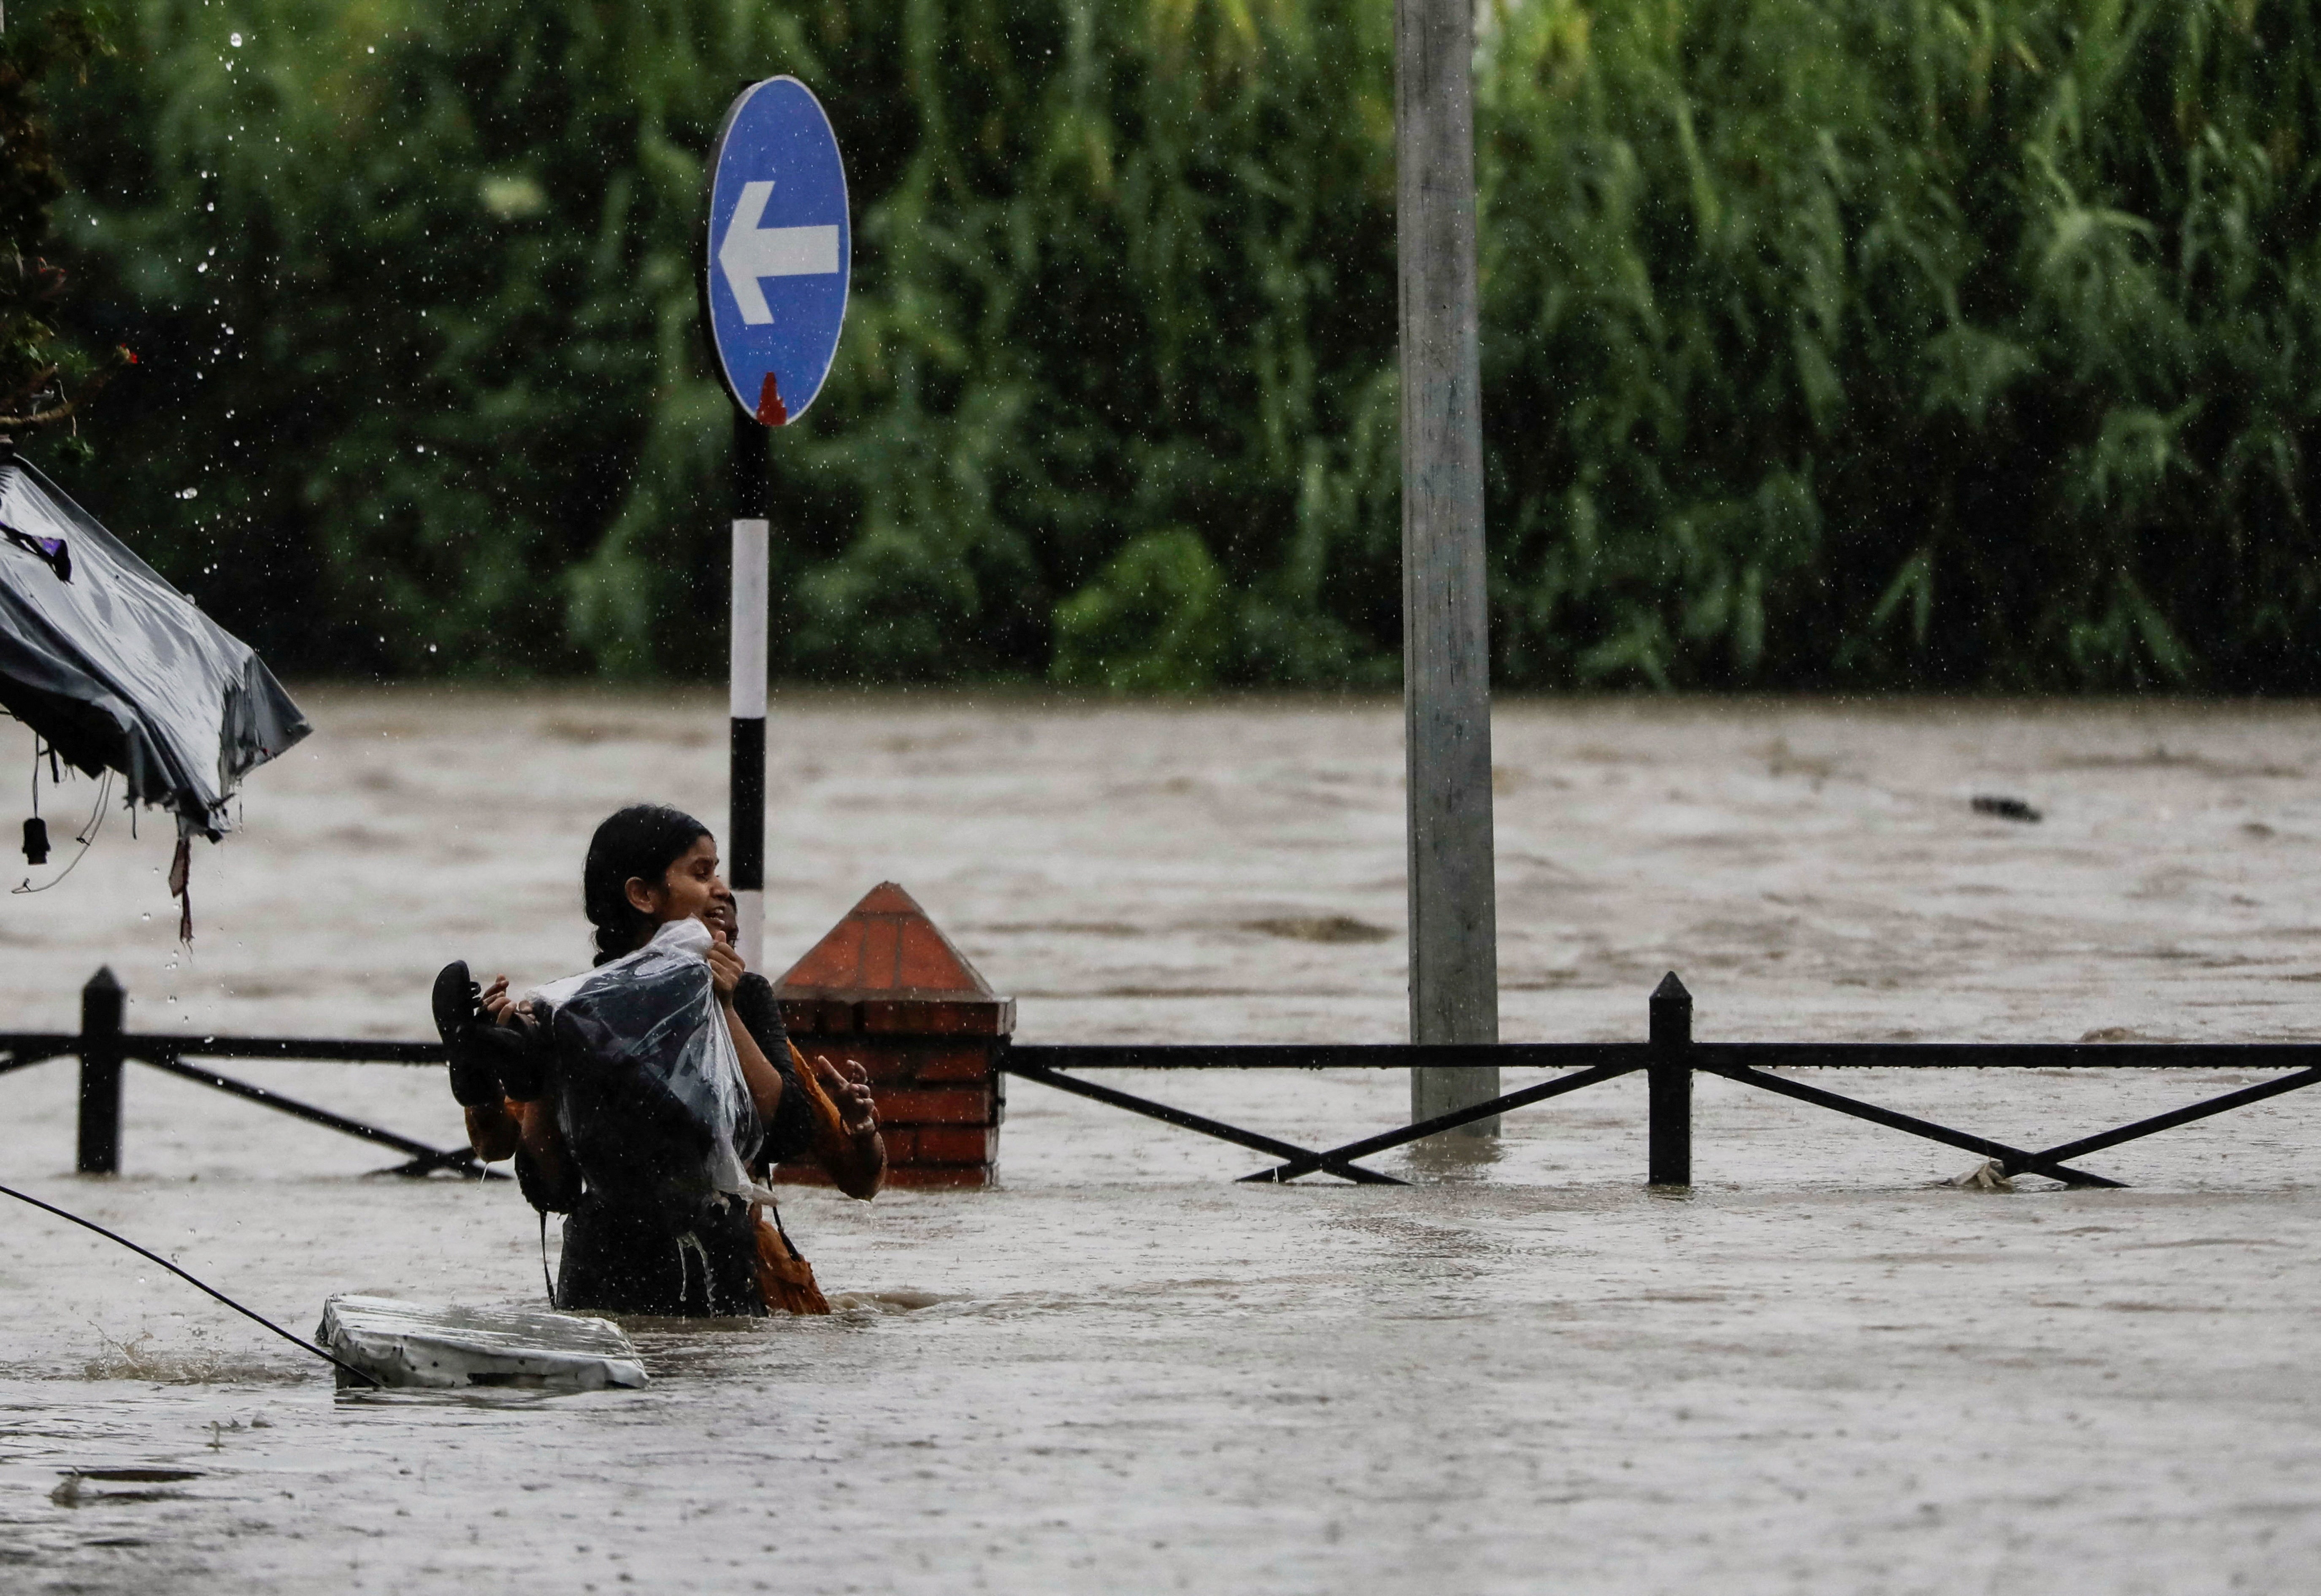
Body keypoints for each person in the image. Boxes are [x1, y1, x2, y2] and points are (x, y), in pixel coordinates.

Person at [433, 804, 883, 1316]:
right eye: (701, 872)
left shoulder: (739, 995)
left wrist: (725, 1006)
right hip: (635, 1277)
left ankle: (508, 1054)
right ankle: (512, 1059)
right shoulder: (573, 1011)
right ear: (642, 895)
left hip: (688, 1270)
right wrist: (536, 1082)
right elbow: (550, 1186)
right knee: (553, 1049)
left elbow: (786, 1130)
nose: (721, 888)